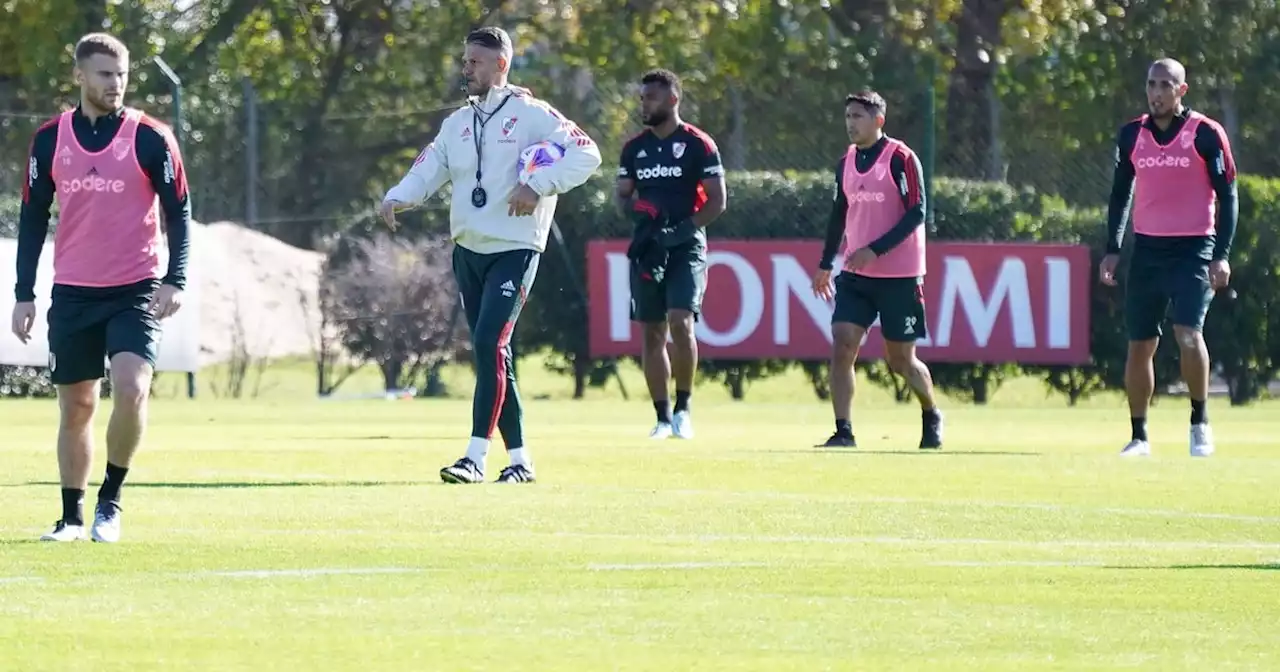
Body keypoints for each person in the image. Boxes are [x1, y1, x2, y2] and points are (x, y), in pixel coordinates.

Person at [380, 27, 601, 484]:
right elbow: (430, 166)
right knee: (494, 356)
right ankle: (520, 462)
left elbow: (588, 155)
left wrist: (537, 184)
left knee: (487, 344)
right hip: (469, 251)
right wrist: (398, 196)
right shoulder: (458, 123)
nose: (466, 68)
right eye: (464, 60)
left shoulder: (532, 113)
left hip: (515, 251)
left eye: (476, 61)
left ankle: (474, 458)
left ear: (501, 65)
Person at [11, 33, 191, 542]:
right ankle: (70, 517)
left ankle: (110, 502)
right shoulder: (50, 139)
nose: (116, 84)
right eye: (105, 74)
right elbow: (31, 218)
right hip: (72, 292)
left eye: (122, 75)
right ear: (80, 76)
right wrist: (24, 292)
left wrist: (175, 279)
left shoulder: (151, 138)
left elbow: (179, 213)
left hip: (134, 289)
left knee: (133, 390)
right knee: (78, 406)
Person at [1100, 58, 1237, 458]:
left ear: (1182, 90)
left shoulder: (1206, 134)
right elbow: (1120, 194)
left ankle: (1199, 423)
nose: (1156, 92)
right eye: (1151, 84)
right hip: (1148, 250)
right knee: (1140, 344)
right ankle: (1139, 435)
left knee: (1188, 334)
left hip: (1194, 250)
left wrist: (1221, 255)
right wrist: (1113, 248)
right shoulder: (1132, 136)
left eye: (1165, 85)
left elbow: (1228, 196)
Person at [810, 91, 943, 450]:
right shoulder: (846, 162)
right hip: (856, 276)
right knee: (842, 344)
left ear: (878, 121)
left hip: (900, 277)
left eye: (858, 116)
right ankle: (844, 431)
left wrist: (875, 249)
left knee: (901, 361)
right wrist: (826, 264)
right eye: (848, 115)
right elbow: (839, 214)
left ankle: (931, 412)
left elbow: (917, 212)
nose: (851, 123)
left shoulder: (901, 158)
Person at [615, 69, 727, 440]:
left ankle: (683, 409)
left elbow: (718, 201)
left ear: (673, 99)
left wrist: (682, 230)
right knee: (651, 331)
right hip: (648, 248)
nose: (644, 103)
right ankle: (662, 418)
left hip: (686, 246)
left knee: (681, 321)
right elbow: (622, 197)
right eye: (643, 97)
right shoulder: (634, 148)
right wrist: (638, 212)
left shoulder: (698, 144)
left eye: (652, 97)